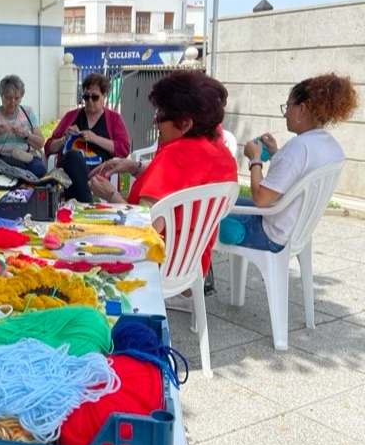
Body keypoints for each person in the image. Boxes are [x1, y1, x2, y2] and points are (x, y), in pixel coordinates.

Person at [89, 70, 238, 312]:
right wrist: (135, 167)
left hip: (152, 265)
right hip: (191, 265)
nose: (154, 121)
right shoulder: (223, 158)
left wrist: (110, 195)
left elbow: (143, 228)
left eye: (161, 115)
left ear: (186, 123)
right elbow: (180, 188)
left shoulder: (173, 157)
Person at [223, 73, 359, 251]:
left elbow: (261, 199)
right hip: (294, 231)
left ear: (302, 109)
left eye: (288, 106)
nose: (285, 114)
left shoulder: (298, 147)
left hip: (269, 234)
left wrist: (255, 160)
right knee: (224, 201)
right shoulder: (331, 147)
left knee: (205, 214)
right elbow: (298, 172)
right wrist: (275, 153)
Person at [44, 73, 130, 202]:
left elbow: (124, 149)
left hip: (97, 169)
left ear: (104, 97)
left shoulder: (113, 118)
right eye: (86, 97)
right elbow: (48, 147)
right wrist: (64, 139)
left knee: (72, 178)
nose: (89, 101)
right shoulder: (71, 116)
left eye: (94, 97)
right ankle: (89, 205)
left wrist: (95, 138)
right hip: (69, 165)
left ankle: (74, 208)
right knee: (73, 157)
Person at [0, 74, 46, 177]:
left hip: (27, 158)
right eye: (8, 98)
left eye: (17, 98)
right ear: (2, 96)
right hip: (1, 160)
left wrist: (26, 135)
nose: (13, 102)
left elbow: (41, 143)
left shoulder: (28, 112)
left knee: (39, 171)